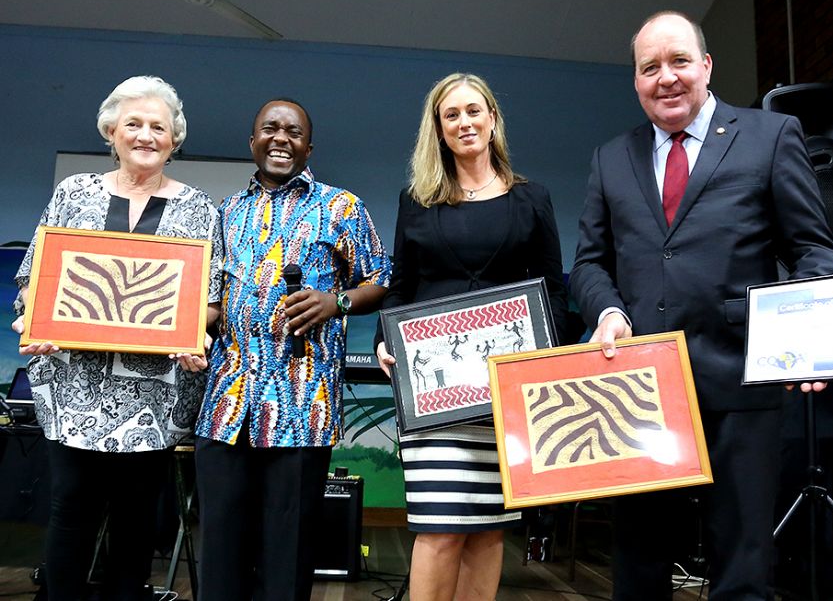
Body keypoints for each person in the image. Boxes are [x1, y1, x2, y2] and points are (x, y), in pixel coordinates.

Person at [568, 11, 833, 600]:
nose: (666, 78)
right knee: (638, 568)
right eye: (650, 68)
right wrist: (608, 312)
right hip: (639, 392)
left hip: (742, 382)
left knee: (742, 569)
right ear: (636, 80)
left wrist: (809, 341)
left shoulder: (771, 135)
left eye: (679, 62)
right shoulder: (610, 158)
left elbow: (813, 249)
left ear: (706, 66)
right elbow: (590, 262)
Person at [11, 75, 221, 600]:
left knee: (136, 516)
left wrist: (196, 332)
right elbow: (36, 278)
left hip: (153, 393)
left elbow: (210, 297)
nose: (146, 135)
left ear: (174, 140)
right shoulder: (74, 191)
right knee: (70, 509)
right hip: (74, 383)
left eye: (159, 127)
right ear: (111, 131)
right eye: (134, 124)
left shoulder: (199, 208)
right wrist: (31, 325)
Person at [375, 72, 568, 601]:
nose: (464, 122)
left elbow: (553, 293)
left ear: (493, 119)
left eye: (473, 110)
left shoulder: (533, 199)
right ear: (437, 129)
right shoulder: (417, 200)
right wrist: (383, 338)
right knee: (438, 529)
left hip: (507, 395)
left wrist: (545, 371)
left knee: (488, 529)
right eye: (451, 114)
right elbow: (400, 286)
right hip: (434, 390)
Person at [194, 98, 391, 601]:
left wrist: (337, 301)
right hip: (225, 406)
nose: (281, 138)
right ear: (253, 141)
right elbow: (211, 302)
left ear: (309, 146)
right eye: (270, 129)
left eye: (294, 132)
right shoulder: (226, 212)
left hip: (302, 407)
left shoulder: (341, 207)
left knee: (289, 550)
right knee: (221, 547)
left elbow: (383, 280)